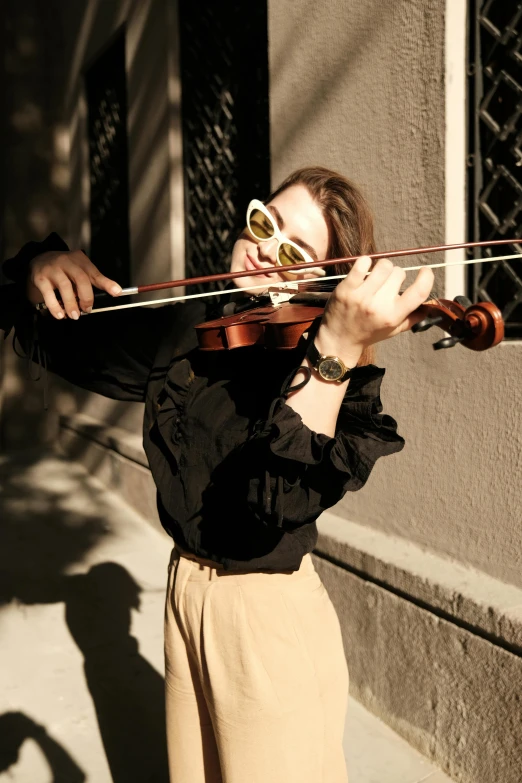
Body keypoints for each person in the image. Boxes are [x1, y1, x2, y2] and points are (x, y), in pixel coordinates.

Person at [0, 166, 433, 783]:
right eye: (265, 223)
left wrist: (335, 349)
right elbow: (63, 335)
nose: (264, 250)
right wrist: (40, 273)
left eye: (295, 254)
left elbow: (274, 502)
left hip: (265, 624)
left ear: (328, 282)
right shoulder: (194, 331)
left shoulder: (332, 381)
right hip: (185, 598)